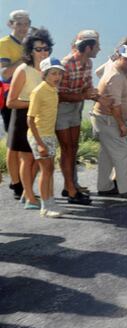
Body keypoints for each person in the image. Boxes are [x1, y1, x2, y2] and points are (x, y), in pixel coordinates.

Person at [57, 30, 109, 205]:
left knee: (73, 147)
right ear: (88, 48)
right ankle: (71, 190)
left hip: (75, 107)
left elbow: (87, 88)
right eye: (97, 46)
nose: (99, 49)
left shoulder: (87, 64)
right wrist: (84, 96)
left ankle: (70, 185)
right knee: (66, 148)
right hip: (62, 109)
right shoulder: (66, 64)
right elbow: (58, 95)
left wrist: (97, 97)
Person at [6, 28, 53, 208]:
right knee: (27, 159)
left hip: (42, 119)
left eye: (46, 48)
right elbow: (11, 102)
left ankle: (28, 193)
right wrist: (34, 104)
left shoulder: (48, 70)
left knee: (37, 158)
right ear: (30, 51)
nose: (43, 52)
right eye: (38, 49)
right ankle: (30, 199)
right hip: (22, 118)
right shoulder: (23, 70)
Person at [91, 45, 127, 199]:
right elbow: (115, 104)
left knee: (107, 156)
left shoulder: (118, 71)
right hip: (109, 119)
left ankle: (104, 187)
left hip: (104, 119)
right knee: (122, 153)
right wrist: (122, 124)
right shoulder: (115, 76)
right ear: (119, 58)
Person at [27, 57, 66, 218]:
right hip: (39, 136)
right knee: (46, 170)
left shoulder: (53, 89)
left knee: (49, 170)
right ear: (44, 74)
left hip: (48, 135)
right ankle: (45, 207)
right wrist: (40, 143)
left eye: (59, 73)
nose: (57, 77)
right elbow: (30, 119)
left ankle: (51, 203)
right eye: (53, 74)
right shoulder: (39, 91)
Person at [0, 10, 31, 199]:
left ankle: (23, 182)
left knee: (24, 143)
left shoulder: (29, 43)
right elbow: (4, 73)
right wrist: (24, 59)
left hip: (27, 98)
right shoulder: (4, 44)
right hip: (9, 98)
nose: (23, 27)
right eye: (19, 23)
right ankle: (16, 184)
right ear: (10, 24)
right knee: (13, 143)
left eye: (26, 23)